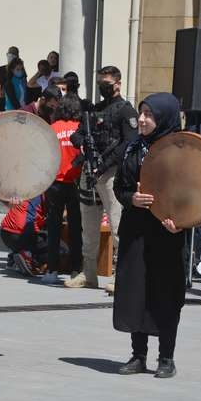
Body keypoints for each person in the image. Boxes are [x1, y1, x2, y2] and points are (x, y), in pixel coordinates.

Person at [113, 92, 185, 379]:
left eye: (149, 115)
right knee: (136, 292)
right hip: (136, 231)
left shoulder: (180, 152)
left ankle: (166, 357)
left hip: (167, 233)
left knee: (165, 293)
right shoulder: (132, 148)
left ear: (165, 118)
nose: (141, 119)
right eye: (141, 113)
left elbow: (194, 193)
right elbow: (120, 187)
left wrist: (181, 221)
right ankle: (138, 355)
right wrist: (133, 199)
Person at [68, 66, 138, 288]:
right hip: (90, 172)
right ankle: (88, 274)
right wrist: (82, 144)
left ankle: (122, 275)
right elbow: (77, 134)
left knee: (118, 226)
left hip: (111, 175)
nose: (102, 87)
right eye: (100, 83)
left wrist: (106, 163)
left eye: (106, 83)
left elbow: (130, 142)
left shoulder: (126, 111)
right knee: (88, 227)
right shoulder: (94, 110)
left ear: (118, 83)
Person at [42, 93, 83, 285]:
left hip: (54, 183)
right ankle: (76, 269)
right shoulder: (80, 129)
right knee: (76, 228)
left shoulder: (52, 129)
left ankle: (52, 269)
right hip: (75, 183)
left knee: (53, 228)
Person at [0, 195, 47, 276]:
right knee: (61, 251)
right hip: (21, 233)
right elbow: (30, 219)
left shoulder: (27, 189)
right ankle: (29, 258)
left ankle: (13, 258)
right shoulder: (44, 194)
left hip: (5, 232)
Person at [0, 46, 19, 112]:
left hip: (15, 100)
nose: (11, 55)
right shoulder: (1, 69)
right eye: (9, 53)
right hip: (3, 100)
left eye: (13, 53)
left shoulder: (19, 70)